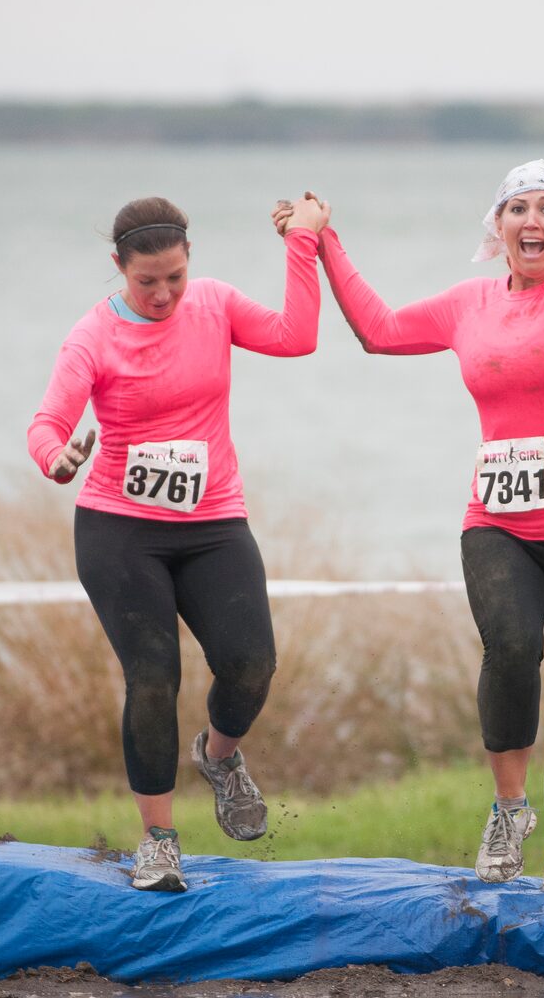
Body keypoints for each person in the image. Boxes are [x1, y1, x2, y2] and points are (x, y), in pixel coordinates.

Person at [273, 30, 544, 907]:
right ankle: (507, 811)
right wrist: (324, 244)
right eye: (518, 210)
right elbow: (380, 329)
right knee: (511, 648)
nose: (533, 222)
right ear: (499, 228)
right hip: (500, 524)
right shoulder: (469, 305)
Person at [28, 192, 329, 892]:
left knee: (252, 664)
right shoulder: (92, 337)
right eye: (146, 282)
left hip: (212, 521)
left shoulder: (216, 304)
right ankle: (159, 841)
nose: (163, 293)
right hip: (119, 529)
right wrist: (57, 459)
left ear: (190, 259)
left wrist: (303, 244)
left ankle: (220, 758)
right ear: (118, 268)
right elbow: (48, 421)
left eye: (174, 277)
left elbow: (296, 335)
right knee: (154, 675)